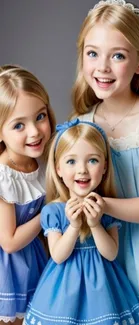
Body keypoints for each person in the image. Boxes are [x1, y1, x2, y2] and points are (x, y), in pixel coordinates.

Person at [71, 0, 139, 323]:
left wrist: (102, 206)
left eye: (117, 55)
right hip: (100, 258)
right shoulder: (81, 124)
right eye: (93, 53)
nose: (102, 67)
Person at [24, 118, 139, 325]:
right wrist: (73, 226)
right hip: (62, 289)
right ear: (58, 169)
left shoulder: (106, 208)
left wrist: (96, 224)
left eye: (93, 160)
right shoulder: (54, 210)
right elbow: (58, 256)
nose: (82, 170)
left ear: (105, 166)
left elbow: (111, 253)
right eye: (71, 161)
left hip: (103, 289)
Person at [0, 64, 56, 324]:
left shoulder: (43, 161)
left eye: (40, 117)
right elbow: (9, 241)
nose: (34, 131)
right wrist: (49, 211)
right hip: (9, 271)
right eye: (18, 125)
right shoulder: (4, 176)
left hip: (36, 259)